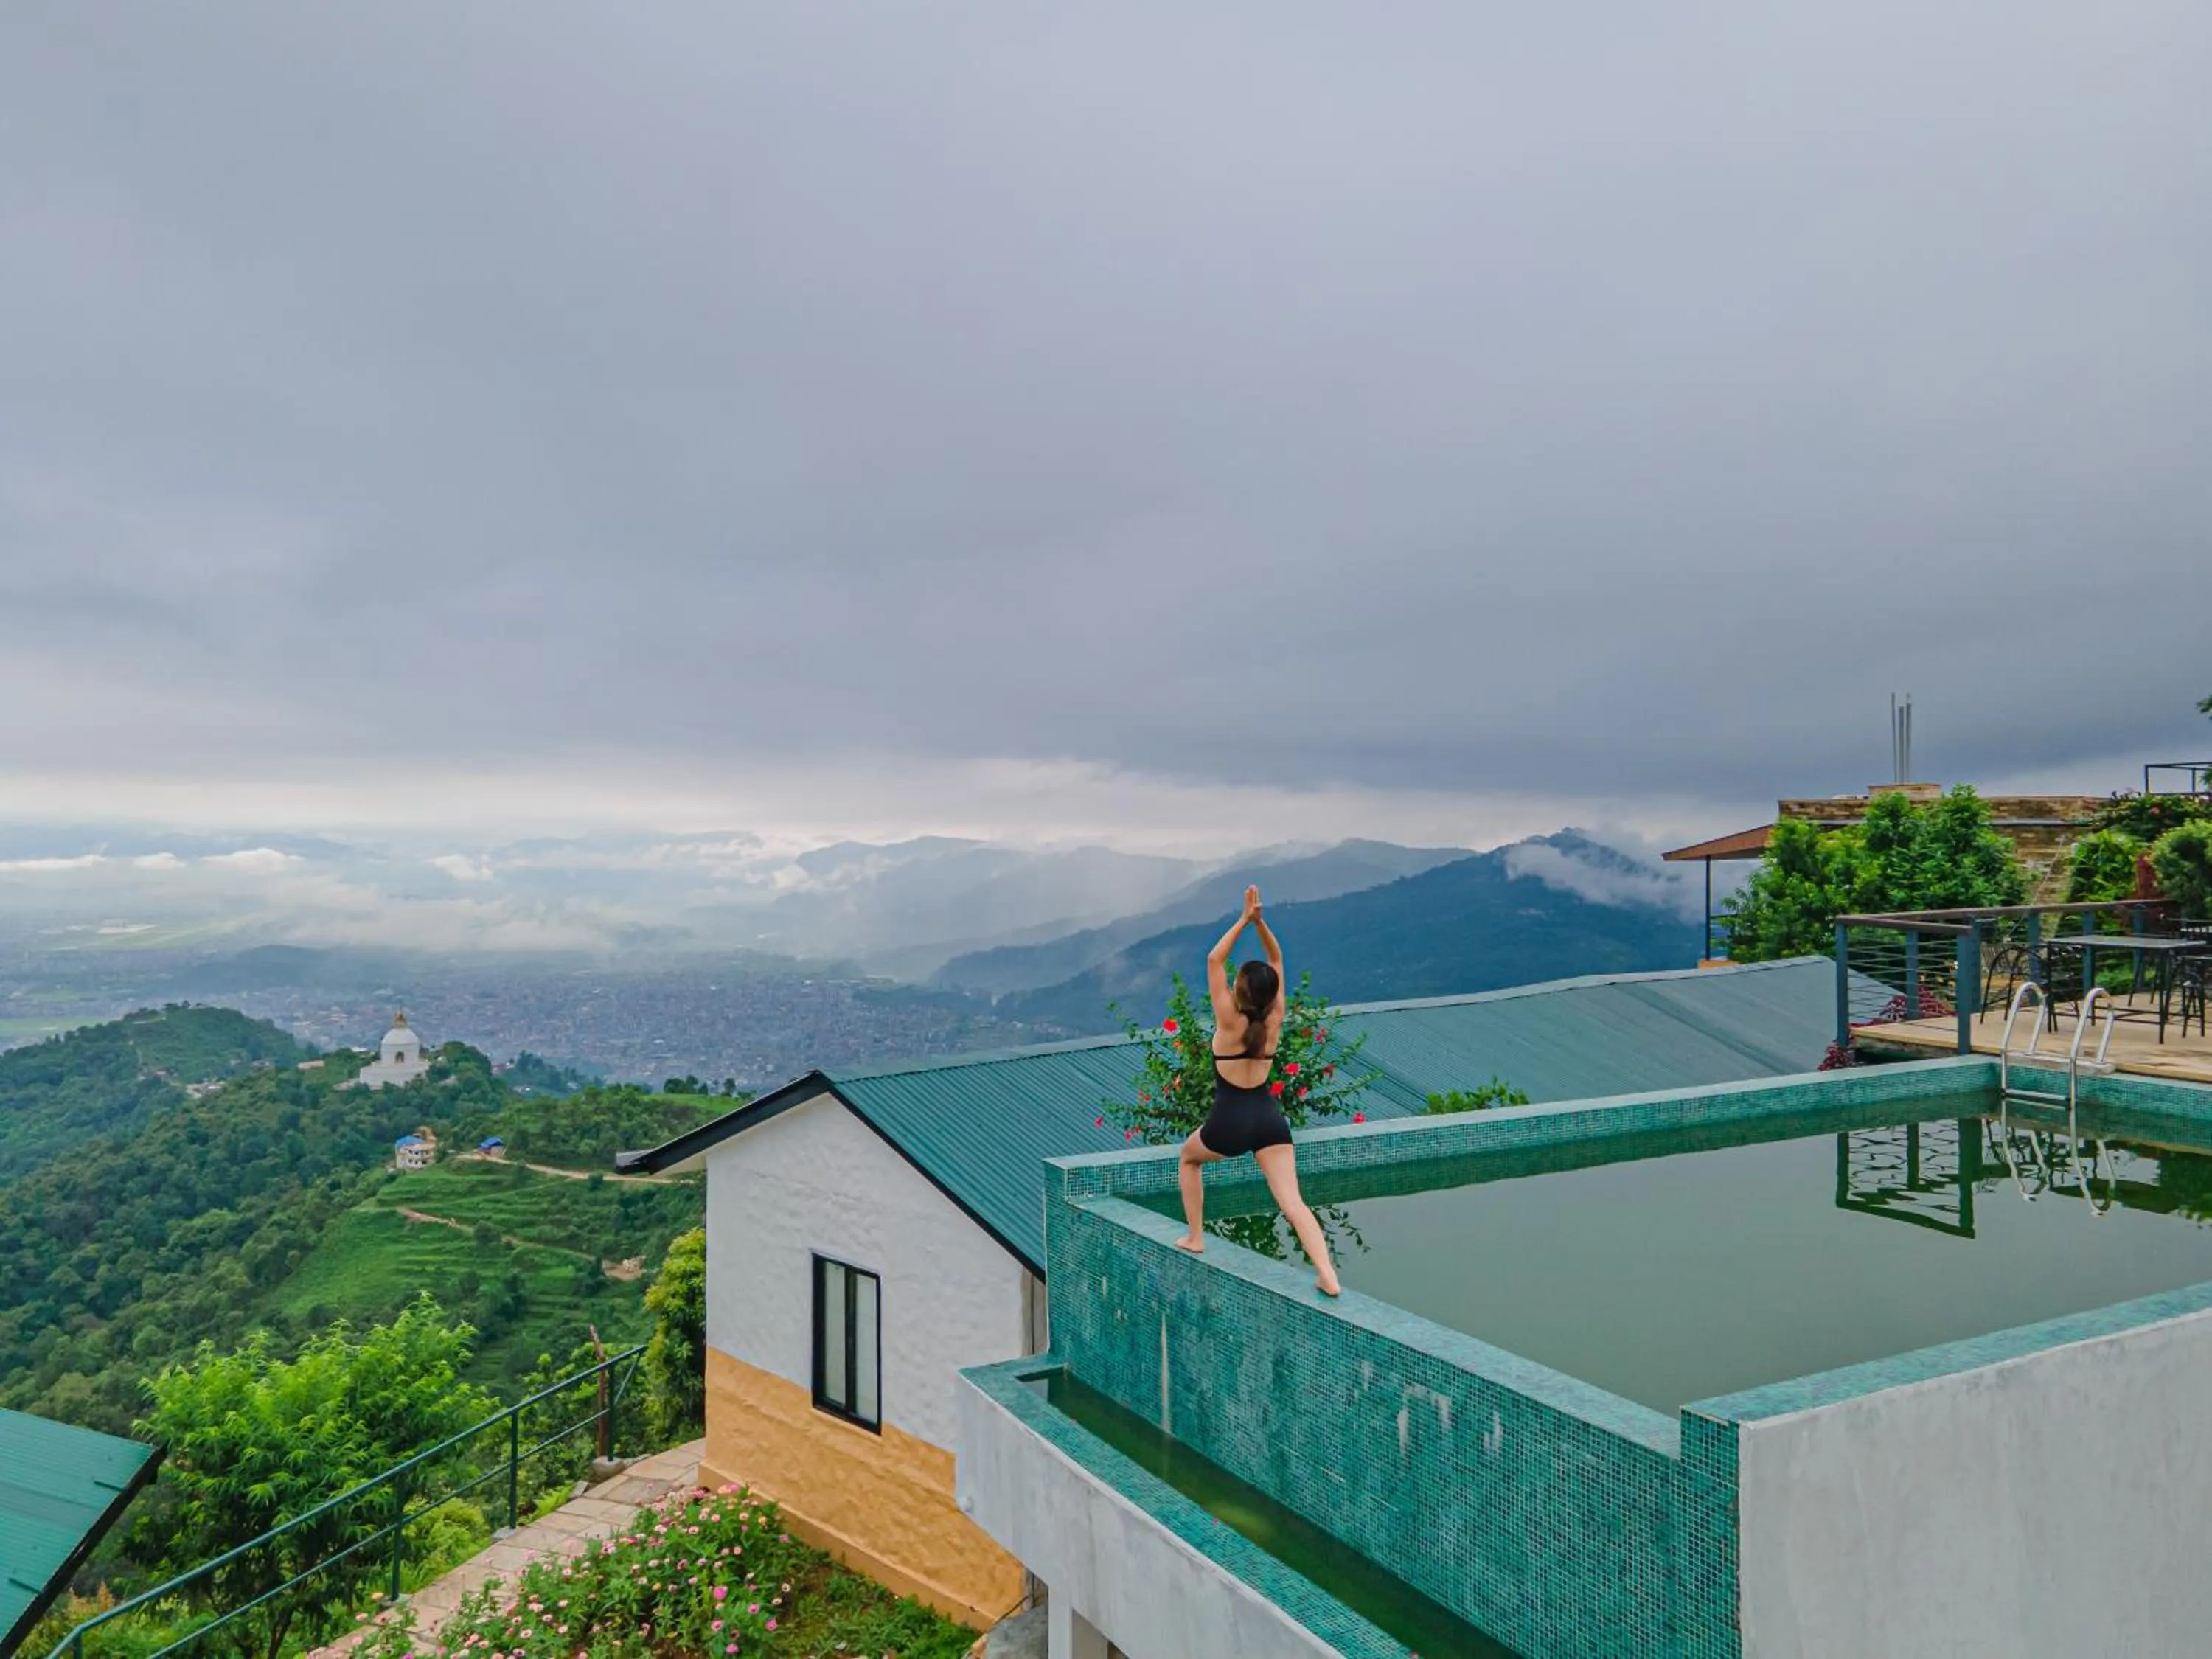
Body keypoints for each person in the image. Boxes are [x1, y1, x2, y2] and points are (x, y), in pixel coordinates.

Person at [1173, 883, 1342, 1296]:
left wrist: (1245, 920)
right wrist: (1262, 925)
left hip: (1229, 1124)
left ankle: (1195, 1236)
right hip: (1269, 1121)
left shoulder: (1230, 1022)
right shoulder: (1275, 1018)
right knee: (1293, 1202)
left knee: (1188, 1160)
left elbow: (1215, 958)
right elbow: (1277, 959)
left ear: (1238, 991)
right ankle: (1327, 1273)